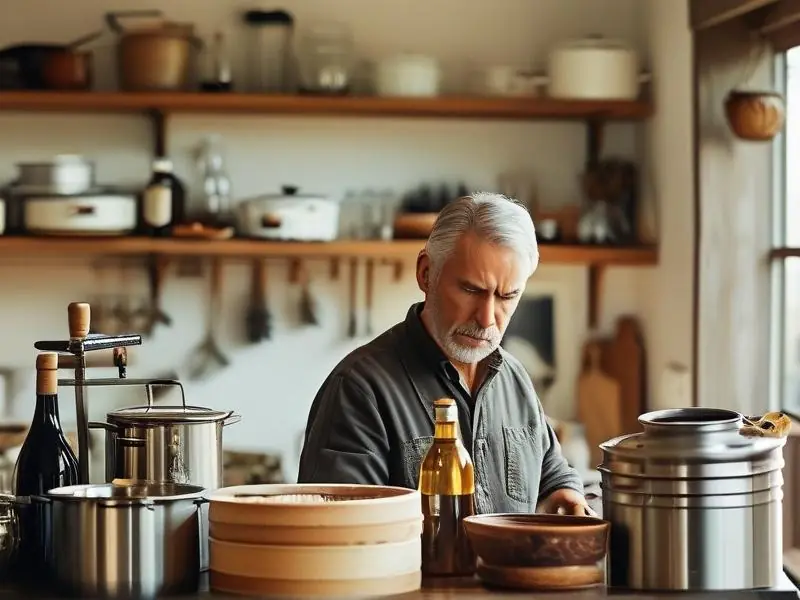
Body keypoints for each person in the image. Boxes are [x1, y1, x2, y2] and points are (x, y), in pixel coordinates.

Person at [297, 192, 591, 516]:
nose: (487, 318)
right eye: (471, 290)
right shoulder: (358, 390)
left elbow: (551, 473)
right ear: (426, 273)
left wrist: (566, 497)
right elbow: (337, 537)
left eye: (507, 296)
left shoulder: (515, 379)